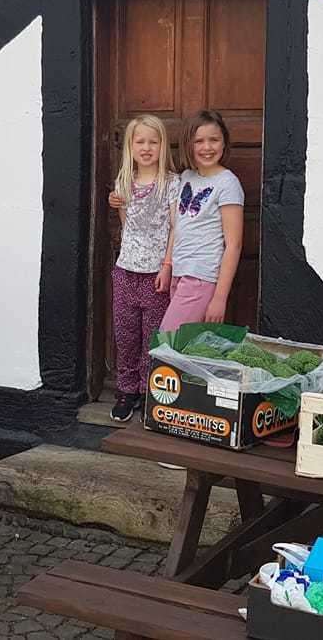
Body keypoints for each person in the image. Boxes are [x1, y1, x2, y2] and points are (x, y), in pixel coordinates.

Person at [104, 115, 178, 423]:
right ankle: (127, 389)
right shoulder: (123, 182)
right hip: (125, 271)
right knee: (126, 334)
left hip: (156, 274)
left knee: (153, 336)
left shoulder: (172, 183)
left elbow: (176, 227)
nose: (146, 148)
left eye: (153, 141)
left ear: (162, 146)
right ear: (130, 147)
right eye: (140, 141)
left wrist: (167, 265)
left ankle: (151, 390)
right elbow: (127, 226)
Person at [160, 110, 244, 332]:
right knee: (187, 348)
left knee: (168, 342)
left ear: (224, 143)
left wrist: (219, 298)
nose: (207, 147)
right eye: (199, 141)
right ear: (189, 145)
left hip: (201, 277)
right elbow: (177, 226)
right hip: (180, 272)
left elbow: (234, 244)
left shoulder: (227, 183)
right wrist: (168, 266)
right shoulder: (187, 176)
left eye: (214, 140)